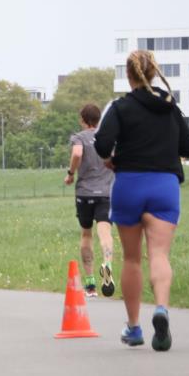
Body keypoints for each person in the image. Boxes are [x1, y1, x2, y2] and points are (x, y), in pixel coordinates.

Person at [94, 49, 189, 352]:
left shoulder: (120, 107)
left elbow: (101, 143)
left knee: (131, 259)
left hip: (129, 184)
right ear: (154, 72)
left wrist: (111, 159)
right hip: (165, 186)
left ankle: (135, 327)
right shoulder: (170, 106)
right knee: (159, 255)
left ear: (129, 75)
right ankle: (161, 309)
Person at [65, 104, 116, 298]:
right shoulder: (109, 137)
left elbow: (77, 153)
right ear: (99, 119)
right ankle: (108, 264)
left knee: (86, 235)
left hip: (85, 194)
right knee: (105, 233)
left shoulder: (80, 137)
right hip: (106, 193)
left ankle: (91, 284)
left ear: (82, 120)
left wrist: (71, 173)